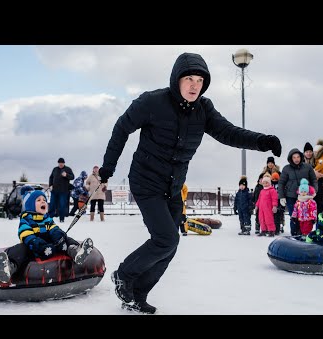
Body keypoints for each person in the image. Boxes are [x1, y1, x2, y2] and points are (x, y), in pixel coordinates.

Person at [98, 52, 282, 314]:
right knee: (166, 239)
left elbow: (229, 132)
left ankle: (136, 293)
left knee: (170, 245)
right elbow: (121, 128)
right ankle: (124, 276)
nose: (194, 85)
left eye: (199, 80)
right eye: (189, 79)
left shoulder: (204, 109)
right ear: (176, 80)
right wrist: (108, 167)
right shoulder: (152, 102)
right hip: (146, 181)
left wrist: (262, 142)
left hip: (173, 187)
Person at [0, 186, 94, 283]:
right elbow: (25, 233)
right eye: (38, 200)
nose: (43, 201)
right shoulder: (26, 219)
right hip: (32, 247)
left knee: (66, 239)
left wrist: (58, 236)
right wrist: (35, 242)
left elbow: (54, 228)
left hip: (50, 246)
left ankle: (76, 251)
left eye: (44, 200)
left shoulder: (47, 218)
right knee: (20, 249)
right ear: (30, 205)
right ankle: (10, 267)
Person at [278, 148, 318, 236]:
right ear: (291, 158)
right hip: (291, 197)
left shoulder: (308, 167)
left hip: (306, 197)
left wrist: (314, 190)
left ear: (301, 157)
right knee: (294, 217)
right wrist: (281, 196)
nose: (296, 159)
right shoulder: (286, 169)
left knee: (306, 218)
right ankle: (295, 235)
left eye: (298, 157)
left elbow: (314, 180)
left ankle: (305, 234)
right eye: (294, 157)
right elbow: (281, 183)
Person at [48, 158, 74, 223]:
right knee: (52, 204)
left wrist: (66, 175)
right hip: (54, 190)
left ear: (64, 163)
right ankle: (50, 218)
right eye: (59, 163)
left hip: (63, 191)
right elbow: (51, 177)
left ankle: (61, 219)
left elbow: (72, 177)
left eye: (62, 163)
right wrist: (50, 185)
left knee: (62, 205)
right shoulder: (55, 169)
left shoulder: (68, 169)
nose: (60, 164)